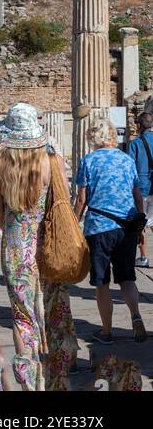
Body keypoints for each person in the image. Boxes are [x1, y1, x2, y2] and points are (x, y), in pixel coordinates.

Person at [0, 103, 55, 391]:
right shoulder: (47, 163)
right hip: (45, 247)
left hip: (16, 248)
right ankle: (50, 373)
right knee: (47, 309)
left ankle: (29, 381)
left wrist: (17, 228)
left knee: (21, 315)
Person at [73, 117, 147, 345]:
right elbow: (137, 195)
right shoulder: (126, 160)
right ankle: (135, 314)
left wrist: (74, 223)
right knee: (126, 279)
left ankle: (106, 331)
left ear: (93, 136)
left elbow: (82, 198)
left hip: (99, 228)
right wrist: (140, 223)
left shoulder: (89, 161)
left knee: (102, 282)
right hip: (126, 226)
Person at [124, 112, 153, 268]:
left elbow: (130, 168)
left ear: (139, 125)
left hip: (140, 188)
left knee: (140, 222)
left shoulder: (134, 144)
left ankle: (143, 257)